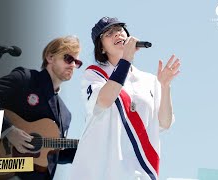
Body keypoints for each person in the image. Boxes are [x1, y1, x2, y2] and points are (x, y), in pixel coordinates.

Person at [69, 17, 180, 180]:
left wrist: (164, 86)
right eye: (109, 33)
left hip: (140, 173)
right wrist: (125, 59)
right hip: (100, 173)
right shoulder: (94, 74)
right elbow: (104, 100)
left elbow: (164, 123)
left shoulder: (149, 80)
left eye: (120, 30)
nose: (117, 34)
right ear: (102, 48)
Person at [0, 35, 82, 180]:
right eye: (68, 59)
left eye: (77, 62)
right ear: (50, 57)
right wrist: (8, 130)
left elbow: (52, 155)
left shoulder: (65, 114)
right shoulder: (25, 78)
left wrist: (85, 150)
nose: (73, 65)